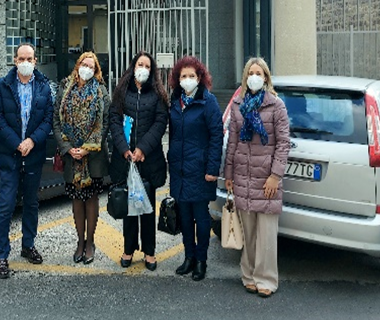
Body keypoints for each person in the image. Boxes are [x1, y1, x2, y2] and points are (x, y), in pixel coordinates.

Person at [224, 57, 290, 298]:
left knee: (266, 235)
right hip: (242, 176)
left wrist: (275, 175)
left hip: (266, 180)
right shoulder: (238, 105)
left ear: (265, 78)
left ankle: (266, 279)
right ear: (245, 77)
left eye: (258, 73)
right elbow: (232, 141)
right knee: (248, 232)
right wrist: (228, 173)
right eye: (250, 73)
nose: (254, 77)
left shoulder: (276, 105)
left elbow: (283, 143)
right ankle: (249, 275)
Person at [0, 43, 54, 279]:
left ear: (35, 61)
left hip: (34, 155)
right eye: (21, 59)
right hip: (10, 155)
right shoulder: (1, 86)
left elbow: (48, 119)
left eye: (29, 59)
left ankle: (28, 245)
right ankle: (1, 255)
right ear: (15, 60)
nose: (25, 62)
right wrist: (18, 143)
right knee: (6, 205)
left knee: (31, 203)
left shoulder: (44, 86)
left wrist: (32, 141)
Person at [109, 51, 169, 271]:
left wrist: (142, 148)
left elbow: (160, 123)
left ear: (152, 70)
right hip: (126, 160)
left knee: (147, 208)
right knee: (129, 208)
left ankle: (149, 251)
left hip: (148, 160)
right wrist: (124, 149)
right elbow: (114, 120)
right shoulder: (122, 91)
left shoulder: (158, 94)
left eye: (147, 66)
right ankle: (128, 249)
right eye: (139, 64)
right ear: (133, 67)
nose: (143, 69)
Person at [168, 56, 223, 281]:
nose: (188, 79)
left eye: (192, 75)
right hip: (180, 169)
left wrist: (212, 169)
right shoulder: (175, 101)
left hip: (200, 170)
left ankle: (201, 260)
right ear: (178, 79)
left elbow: (216, 136)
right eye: (184, 76)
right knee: (184, 217)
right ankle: (188, 257)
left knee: (201, 218)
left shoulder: (208, 102)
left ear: (200, 78)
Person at [53, 52, 110, 265]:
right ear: (77, 66)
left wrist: (87, 148)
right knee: (76, 199)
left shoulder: (101, 91)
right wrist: (68, 148)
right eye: (84, 65)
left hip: (93, 156)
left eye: (91, 67)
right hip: (72, 155)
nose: (87, 69)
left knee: (91, 198)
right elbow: (56, 120)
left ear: (96, 71)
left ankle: (90, 243)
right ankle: (80, 242)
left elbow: (105, 123)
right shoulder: (64, 88)